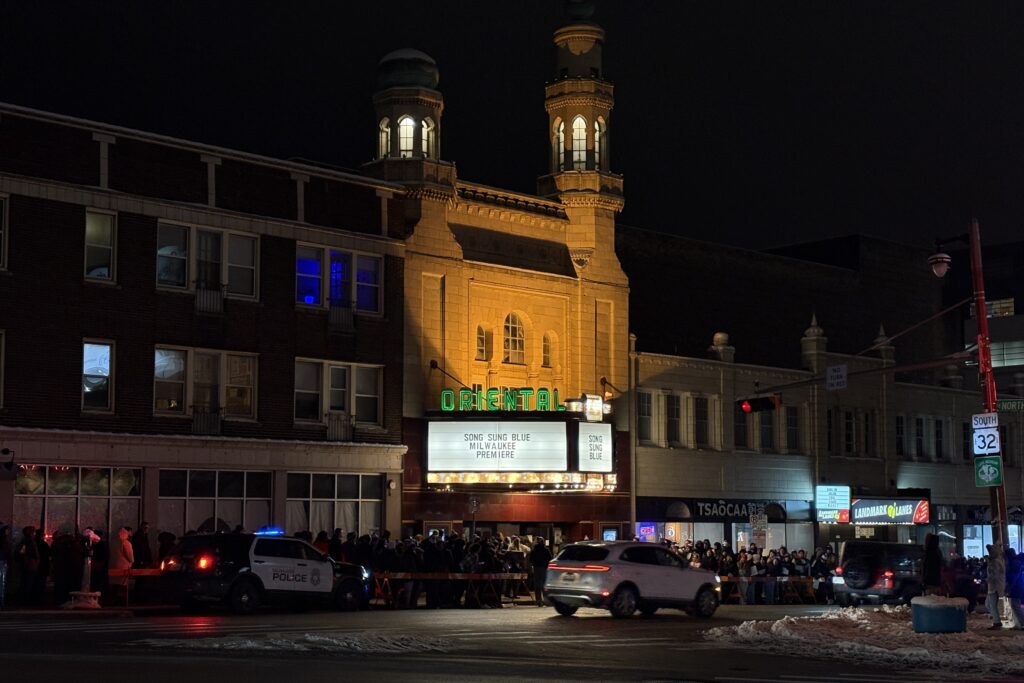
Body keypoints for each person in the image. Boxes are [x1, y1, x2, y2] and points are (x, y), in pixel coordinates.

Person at [16, 526, 40, 605]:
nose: (34, 533)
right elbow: (22, 553)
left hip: (29, 564)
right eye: (33, 532)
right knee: (27, 583)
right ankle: (25, 600)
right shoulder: (27, 541)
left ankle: (25, 599)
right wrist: (29, 560)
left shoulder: (28, 541)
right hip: (29, 565)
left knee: (27, 582)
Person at [985, 544, 1007, 629]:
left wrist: (988, 579)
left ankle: (997, 622)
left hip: (994, 586)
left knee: (991, 605)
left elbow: (994, 575)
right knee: (990, 604)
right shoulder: (999, 560)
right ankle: (996, 620)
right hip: (996, 586)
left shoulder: (994, 562)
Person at [1004, 547, 1024, 630]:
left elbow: (1013, 577)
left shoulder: (1014, 563)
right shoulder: (1016, 562)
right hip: (1017, 586)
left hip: (1015, 587)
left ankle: (1022, 623)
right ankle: (1018, 623)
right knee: (1014, 605)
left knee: (1015, 606)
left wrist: (1009, 587)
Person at [529, 537, 552, 607]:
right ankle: (546, 600)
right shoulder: (546, 550)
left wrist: (534, 564)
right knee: (544, 584)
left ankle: (538, 601)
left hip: (536, 568)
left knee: (537, 585)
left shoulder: (534, 550)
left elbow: (530, 559)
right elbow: (550, 558)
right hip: (544, 568)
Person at [0, 524, 11, 609]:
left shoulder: (4, 540)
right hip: (2, 561)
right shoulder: (3, 540)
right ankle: (1, 602)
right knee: (2, 582)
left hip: (2, 560)